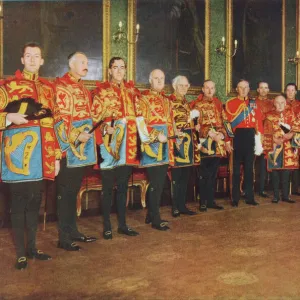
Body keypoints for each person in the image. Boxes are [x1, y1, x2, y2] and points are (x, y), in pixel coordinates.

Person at [0, 42, 60, 270]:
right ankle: (20, 254)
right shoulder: (9, 87)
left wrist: (55, 157)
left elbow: (53, 124)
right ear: (22, 59)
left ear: (42, 60)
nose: (33, 60)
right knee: (18, 205)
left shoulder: (48, 90)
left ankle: (33, 248)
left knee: (36, 203)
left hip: (42, 155)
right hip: (17, 156)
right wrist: (8, 118)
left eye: (37, 56)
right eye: (29, 56)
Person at [91, 57, 140, 239]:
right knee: (107, 187)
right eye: (115, 67)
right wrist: (105, 127)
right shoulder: (101, 91)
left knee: (122, 187)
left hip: (128, 145)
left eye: (122, 67)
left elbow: (140, 115)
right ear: (109, 70)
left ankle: (123, 225)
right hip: (109, 145)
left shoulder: (132, 92)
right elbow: (94, 118)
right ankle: (107, 226)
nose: (119, 71)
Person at [54, 52, 97, 251]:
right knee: (65, 192)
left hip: (82, 148)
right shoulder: (61, 86)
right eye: (82, 62)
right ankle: (63, 237)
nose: (86, 65)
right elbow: (59, 119)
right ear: (71, 64)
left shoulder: (83, 88)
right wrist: (75, 135)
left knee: (73, 192)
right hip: (66, 148)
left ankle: (73, 230)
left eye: (87, 63)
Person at [135, 69, 175, 231]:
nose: (159, 81)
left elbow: (170, 122)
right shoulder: (143, 99)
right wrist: (156, 135)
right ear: (150, 80)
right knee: (156, 182)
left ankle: (151, 214)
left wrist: (174, 137)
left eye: (162, 78)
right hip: (150, 145)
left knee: (159, 182)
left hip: (166, 145)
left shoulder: (167, 101)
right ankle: (155, 218)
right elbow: (140, 123)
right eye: (156, 78)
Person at [225, 79, 263, 207]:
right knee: (235, 170)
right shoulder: (230, 103)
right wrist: (227, 141)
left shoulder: (253, 103)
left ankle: (249, 197)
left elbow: (258, 121)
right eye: (241, 87)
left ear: (249, 88)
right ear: (237, 89)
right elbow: (227, 124)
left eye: (246, 87)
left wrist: (259, 140)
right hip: (237, 137)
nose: (244, 90)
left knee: (249, 169)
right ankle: (235, 198)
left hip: (250, 136)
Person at [190, 80, 227, 211]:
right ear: (203, 89)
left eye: (212, 88)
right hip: (205, 143)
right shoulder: (197, 105)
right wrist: (210, 134)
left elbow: (224, 121)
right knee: (204, 174)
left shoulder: (218, 104)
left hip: (218, 143)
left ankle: (211, 200)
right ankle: (203, 201)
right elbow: (197, 127)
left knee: (213, 174)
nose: (210, 90)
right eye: (207, 88)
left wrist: (222, 135)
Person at [168, 75, 199, 217]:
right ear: (175, 86)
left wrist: (195, 126)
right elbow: (169, 122)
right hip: (177, 141)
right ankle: (175, 206)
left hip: (189, 140)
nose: (184, 88)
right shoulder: (169, 101)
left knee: (185, 176)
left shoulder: (187, 103)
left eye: (187, 85)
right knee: (176, 175)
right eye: (181, 85)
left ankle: (182, 205)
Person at [263, 95, 299, 203]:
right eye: (277, 103)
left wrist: (291, 134)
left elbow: (297, 127)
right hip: (274, 147)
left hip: (287, 147)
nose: (280, 105)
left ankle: (286, 196)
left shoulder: (291, 114)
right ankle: (276, 196)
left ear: (285, 103)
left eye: (282, 102)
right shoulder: (269, 116)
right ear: (274, 103)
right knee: (275, 172)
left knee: (286, 173)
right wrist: (273, 139)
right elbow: (265, 132)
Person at [255, 81, 274, 198]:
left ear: (268, 90)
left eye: (265, 88)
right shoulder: (253, 102)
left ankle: (263, 188)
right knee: (253, 162)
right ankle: (250, 188)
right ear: (258, 90)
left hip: (269, 135)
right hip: (256, 134)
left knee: (265, 162)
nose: (263, 90)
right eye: (261, 88)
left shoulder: (272, 103)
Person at [284, 83, 300, 195]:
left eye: (292, 90)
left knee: (297, 160)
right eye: (288, 90)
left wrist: (294, 131)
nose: (290, 92)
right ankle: (285, 188)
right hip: (284, 135)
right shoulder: (281, 104)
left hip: (298, 135)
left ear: (295, 92)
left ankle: (296, 187)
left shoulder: (299, 105)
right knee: (286, 160)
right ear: (285, 92)